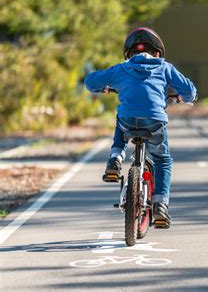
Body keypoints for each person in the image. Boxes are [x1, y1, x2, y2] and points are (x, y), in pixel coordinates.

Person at [84, 27, 197, 227]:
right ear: (158, 53)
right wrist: (183, 97)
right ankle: (160, 205)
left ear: (129, 54)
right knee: (162, 160)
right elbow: (189, 90)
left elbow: (90, 81)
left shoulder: (121, 68)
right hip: (155, 122)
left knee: (122, 115)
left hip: (128, 121)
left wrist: (103, 87)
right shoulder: (164, 67)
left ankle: (115, 158)